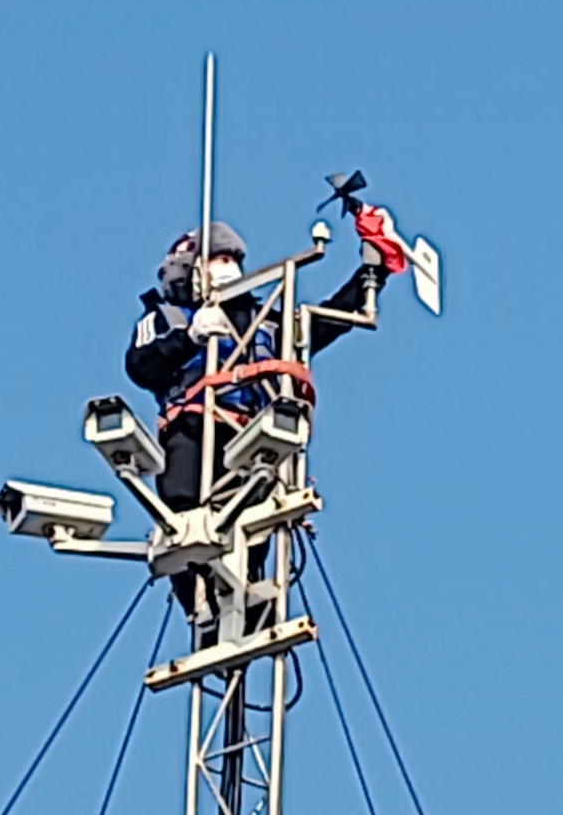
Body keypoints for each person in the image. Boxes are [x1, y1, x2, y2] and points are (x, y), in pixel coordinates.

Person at [125, 220, 389, 631]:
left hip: (251, 436)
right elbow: (141, 366)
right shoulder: (166, 316)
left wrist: (372, 272)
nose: (227, 267)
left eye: (232, 259)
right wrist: (190, 338)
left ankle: (242, 600)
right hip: (193, 426)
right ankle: (198, 596)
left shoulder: (263, 320)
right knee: (184, 511)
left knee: (253, 522)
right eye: (218, 259)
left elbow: (324, 323)